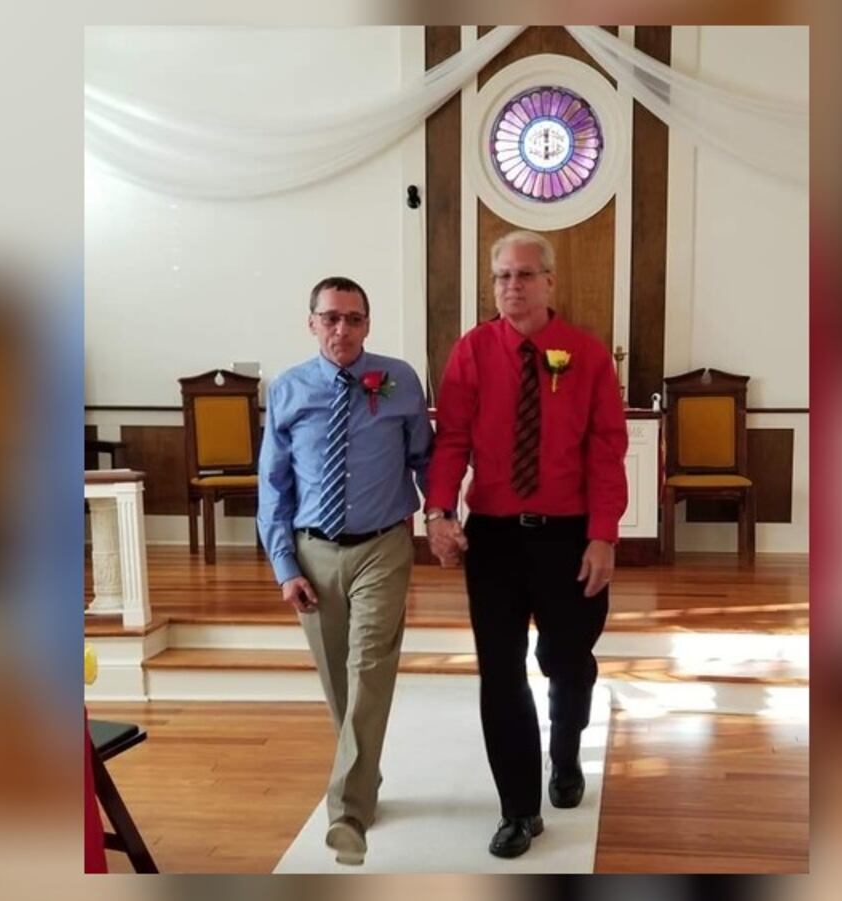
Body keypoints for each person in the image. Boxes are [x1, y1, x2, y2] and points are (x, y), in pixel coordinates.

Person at [424, 230, 628, 859]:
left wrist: (603, 535)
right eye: (501, 277)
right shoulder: (472, 352)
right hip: (495, 540)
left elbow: (606, 450)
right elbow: (452, 438)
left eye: (523, 275)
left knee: (566, 661)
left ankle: (565, 750)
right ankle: (518, 809)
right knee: (501, 673)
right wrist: (437, 511)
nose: (511, 286)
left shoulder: (588, 355)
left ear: (549, 282)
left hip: (568, 538)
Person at [256, 275, 432, 866]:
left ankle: (347, 811)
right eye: (330, 317)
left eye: (354, 318)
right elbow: (273, 485)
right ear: (311, 323)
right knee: (338, 680)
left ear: (368, 324)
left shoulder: (400, 379)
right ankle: (366, 778)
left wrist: (446, 513)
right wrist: (285, 565)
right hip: (312, 553)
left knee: (369, 667)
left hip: (383, 545)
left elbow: (425, 459)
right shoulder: (288, 389)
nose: (342, 329)